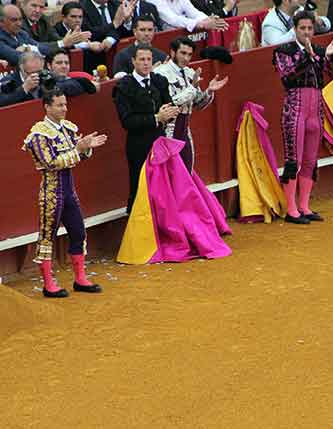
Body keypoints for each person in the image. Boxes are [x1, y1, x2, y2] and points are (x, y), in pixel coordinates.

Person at [23, 89, 107, 298]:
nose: (64, 109)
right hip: (51, 192)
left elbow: (79, 156)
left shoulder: (68, 129)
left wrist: (86, 147)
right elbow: (50, 163)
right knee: (47, 237)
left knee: (78, 231)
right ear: (47, 107)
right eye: (59, 105)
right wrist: (78, 150)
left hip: (69, 191)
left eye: (65, 104)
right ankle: (48, 283)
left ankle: (80, 279)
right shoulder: (38, 135)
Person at [272, 10, 333, 224]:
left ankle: (304, 206)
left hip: (315, 109)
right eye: (302, 28)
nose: (307, 32)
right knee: (294, 159)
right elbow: (287, 76)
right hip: (295, 108)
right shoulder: (283, 50)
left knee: (311, 160)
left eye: (310, 28)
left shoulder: (321, 50)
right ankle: (291, 209)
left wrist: (328, 56)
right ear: (295, 29)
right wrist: (308, 56)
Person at [113, 45, 179, 213]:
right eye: (142, 59)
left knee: (164, 186)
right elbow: (127, 121)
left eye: (149, 59)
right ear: (133, 61)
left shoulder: (159, 81)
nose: (146, 63)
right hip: (138, 145)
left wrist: (171, 113)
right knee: (140, 185)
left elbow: (169, 106)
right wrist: (157, 118)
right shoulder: (124, 86)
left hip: (160, 141)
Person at [153, 36, 228, 172]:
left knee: (187, 170)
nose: (186, 58)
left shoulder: (190, 73)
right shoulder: (160, 73)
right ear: (172, 52)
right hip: (166, 129)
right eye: (183, 53)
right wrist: (192, 88)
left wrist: (209, 91)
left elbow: (198, 104)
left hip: (184, 129)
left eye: (189, 54)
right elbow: (170, 103)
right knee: (170, 172)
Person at [261, 0, 331, 46]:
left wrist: (319, 21)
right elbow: (278, 44)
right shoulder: (270, 23)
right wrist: (299, 27)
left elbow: (327, 26)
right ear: (285, 1)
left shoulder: (299, 9)